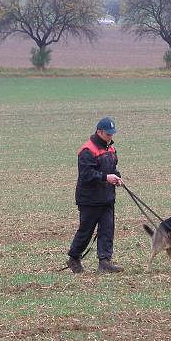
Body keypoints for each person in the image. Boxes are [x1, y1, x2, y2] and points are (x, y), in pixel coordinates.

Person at [67, 117, 124, 273]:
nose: (111, 137)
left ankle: (104, 262)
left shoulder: (111, 149)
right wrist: (106, 178)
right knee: (86, 231)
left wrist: (117, 177)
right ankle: (74, 258)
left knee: (107, 230)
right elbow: (86, 174)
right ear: (99, 132)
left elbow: (112, 168)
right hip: (89, 199)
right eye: (108, 134)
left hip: (106, 198)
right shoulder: (87, 150)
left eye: (112, 134)